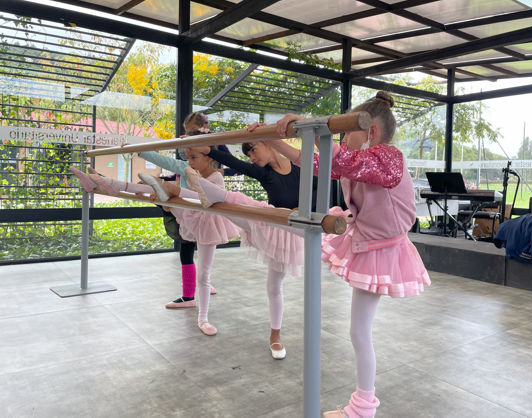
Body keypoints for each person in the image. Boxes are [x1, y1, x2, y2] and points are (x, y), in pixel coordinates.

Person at [268, 91, 431, 418]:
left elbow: (338, 159)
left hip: (383, 250)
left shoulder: (388, 156)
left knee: (359, 332)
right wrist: (275, 140)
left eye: (345, 131)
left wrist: (309, 128)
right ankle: (363, 405)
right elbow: (320, 164)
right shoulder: (358, 160)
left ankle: (363, 407)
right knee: (358, 331)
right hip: (367, 242)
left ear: (369, 131)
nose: (341, 138)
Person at [146, 139, 317, 360]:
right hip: (269, 223)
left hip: (294, 231)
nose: (252, 159)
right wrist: (207, 148)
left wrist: (304, 208)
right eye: (249, 155)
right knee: (232, 204)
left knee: (276, 285)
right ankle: (167, 190)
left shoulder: (301, 166)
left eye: (254, 150)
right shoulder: (263, 173)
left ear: (271, 144)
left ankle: (174, 191)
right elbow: (232, 161)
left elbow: (320, 187)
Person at [69, 147, 239, 336]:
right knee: (154, 189)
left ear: (209, 158)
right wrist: (170, 200)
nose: (189, 162)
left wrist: (172, 193)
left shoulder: (216, 177)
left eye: (193, 157)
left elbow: (204, 199)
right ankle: (105, 182)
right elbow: (189, 199)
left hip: (208, 224)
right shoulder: (193, 173)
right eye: (188, 158)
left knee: (204, 274)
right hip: (191, 216)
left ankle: (203, 318)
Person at [138, 112, 231, 308]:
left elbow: (232, 164)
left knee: (197, 249)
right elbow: (174, 166)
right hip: (188, 205)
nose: (185, 138)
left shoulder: (213, 153)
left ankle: (193, 293)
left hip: (201, 207)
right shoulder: (188, 162)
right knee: (189, 248)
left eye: (190, 132)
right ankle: (194, 291)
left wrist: (143, 151)